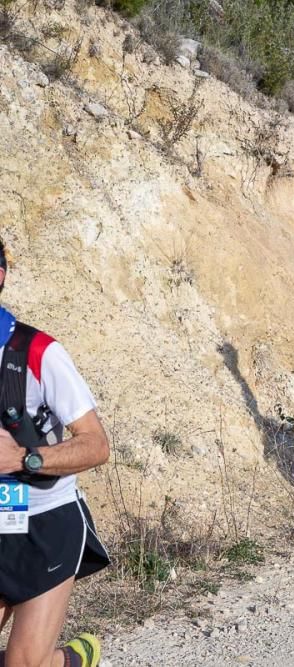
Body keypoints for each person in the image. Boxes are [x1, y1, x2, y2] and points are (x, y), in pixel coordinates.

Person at [0, 239, 110, 667]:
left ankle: (73, 658)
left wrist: (24, 459)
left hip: (46, 523)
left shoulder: (39, 353)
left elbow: (96, 444)